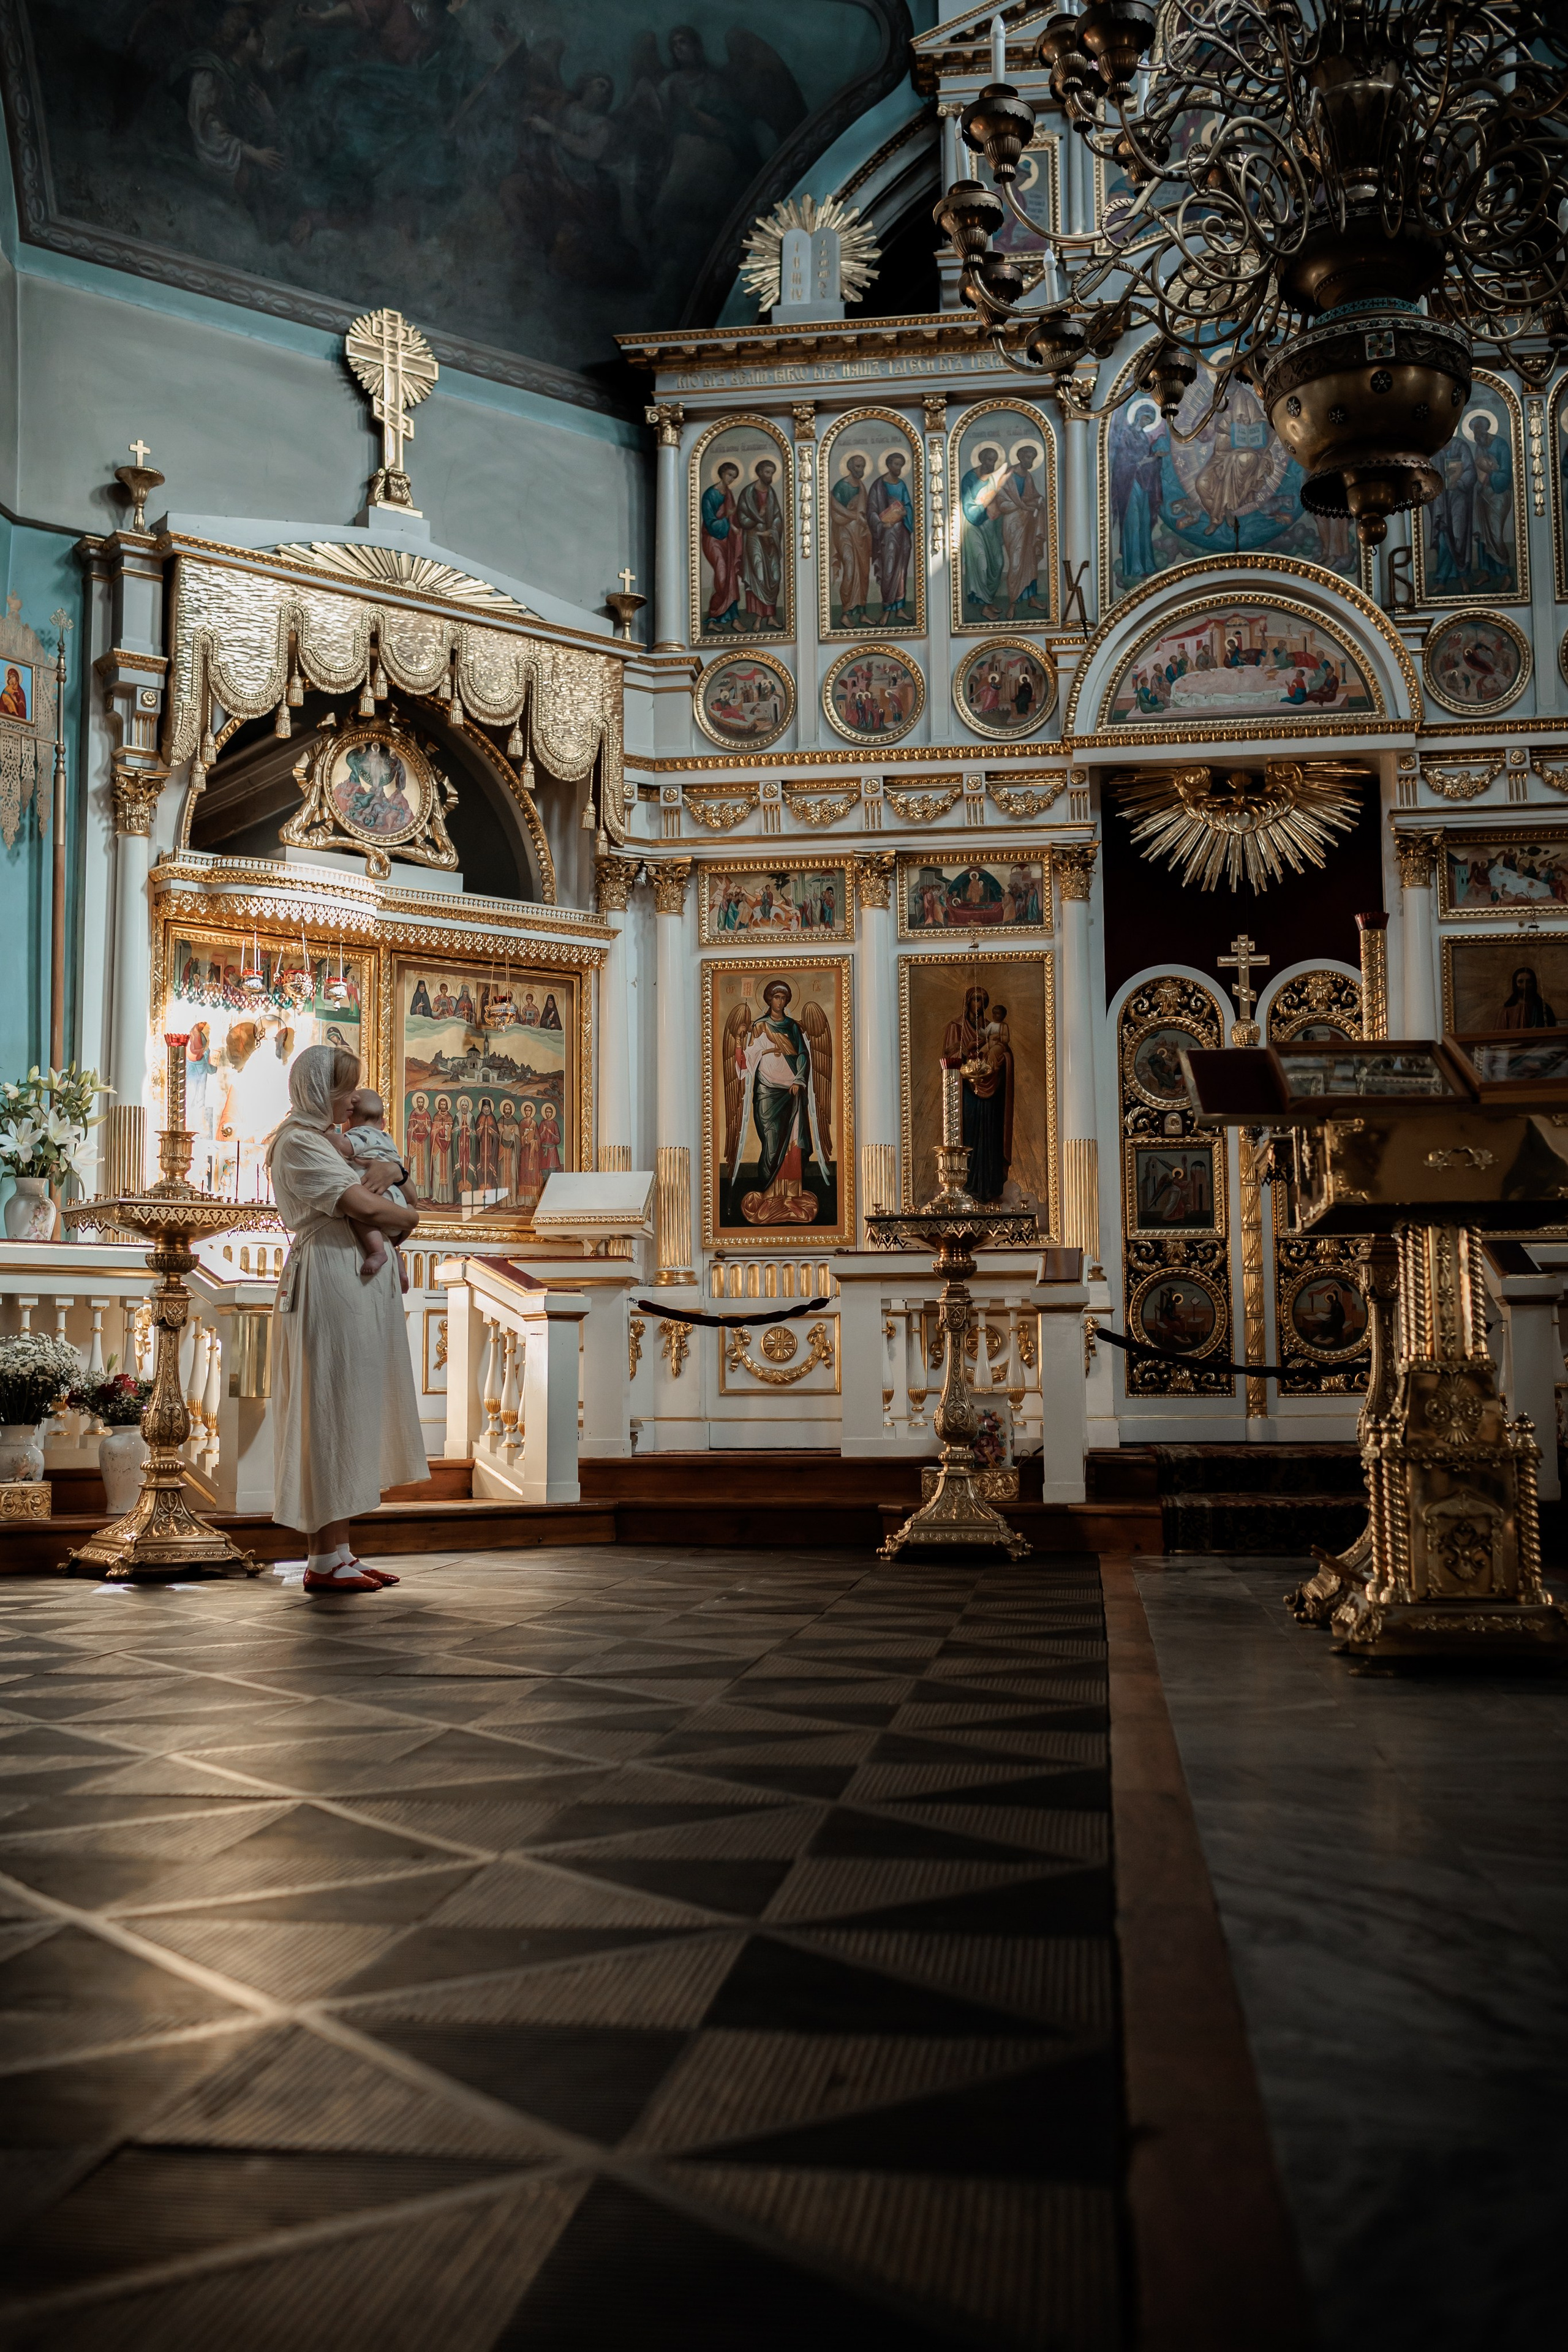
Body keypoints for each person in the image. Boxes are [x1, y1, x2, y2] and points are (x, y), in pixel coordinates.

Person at [265, 1044, 424, 1596]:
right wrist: (410, 1215)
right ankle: (323, 1560)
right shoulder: (298, 1142)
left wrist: (396, 1169)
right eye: (345, 1088)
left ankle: (338, 1553)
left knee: (350, 1412)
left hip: (355, 1279)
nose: (354, 1099)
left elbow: (392, 1182)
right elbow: (368, 1207)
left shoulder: (331, 1137)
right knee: (330, 1409)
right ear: (317, 1091)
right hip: (331, 1277)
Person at [332, 1087, 412, 1293]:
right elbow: (410, 1190)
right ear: (383, 1122)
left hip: (377, 1194)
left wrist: (325, 1134)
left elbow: (343, 1146)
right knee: (390, 1243)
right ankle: (399, 1265)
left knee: (359, 1215)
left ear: (349, 1121)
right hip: (397, 1198)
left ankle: (377, 1252)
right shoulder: (387, 1139)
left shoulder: (360, 1134)